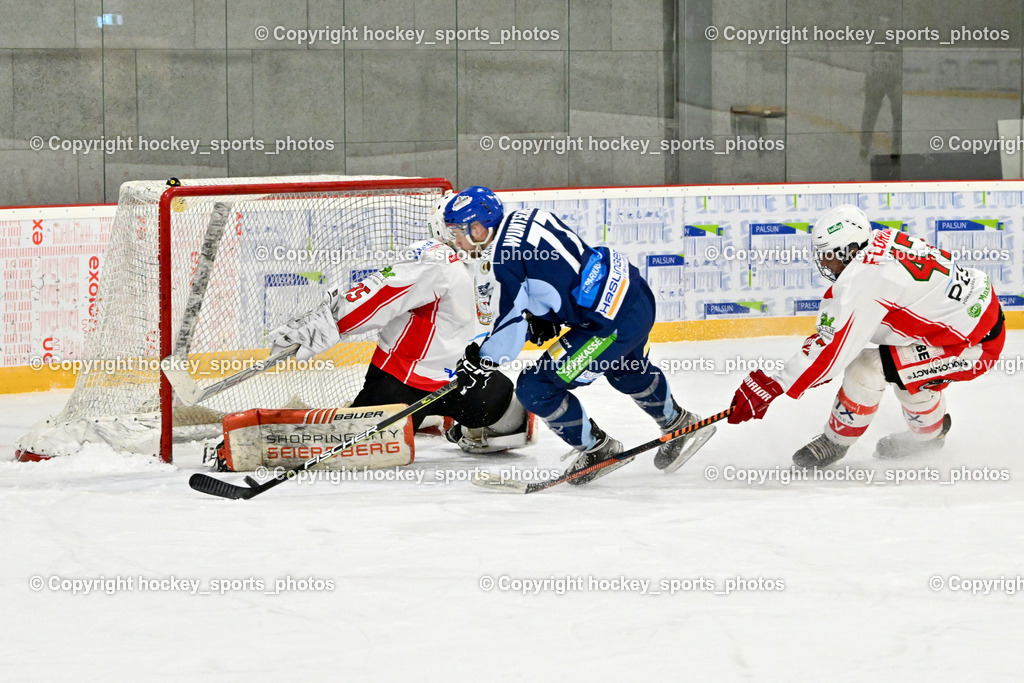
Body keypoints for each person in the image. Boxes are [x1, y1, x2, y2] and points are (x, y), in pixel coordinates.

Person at [439, 186, 717, 485]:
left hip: (609, 325)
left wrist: (481, 362)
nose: (455, 240)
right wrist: (544, 315)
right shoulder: (526, 216)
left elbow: (508, 332)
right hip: (632, 292)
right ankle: (680, 423)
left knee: (536, 387)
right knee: (625, 370)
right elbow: (559, 269)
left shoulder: (503, 261)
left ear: (478, 228)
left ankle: (598, 448)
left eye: (457, 231)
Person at [727, 204, 1005, 466]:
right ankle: (930, 433)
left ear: (850, 250)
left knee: (869, 368)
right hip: (971, 318)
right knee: (906, 373)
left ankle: (839, 442)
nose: (824, 260)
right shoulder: (881, 241)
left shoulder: (867, 280)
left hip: (974, 347)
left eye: (829, 253)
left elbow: (831, 351)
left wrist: (773, 385)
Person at [266, 209, 532, 455]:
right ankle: (440, 418)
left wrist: (331, 321)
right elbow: (384, 293)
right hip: (434, 382)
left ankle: (437, 416)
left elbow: (381, 295)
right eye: (463, 229)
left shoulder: (465, 261)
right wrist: (332, 321)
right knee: (512, 422)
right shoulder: (458, 260)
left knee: (513, 422)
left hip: (432, 385)